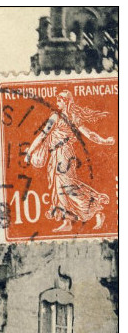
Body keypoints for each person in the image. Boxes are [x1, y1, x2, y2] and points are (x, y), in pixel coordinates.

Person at [24, 89, 115, 231]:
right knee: (59, 188)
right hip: (57, 155)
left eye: (59, 100)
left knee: (66, 186)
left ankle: (96, 211)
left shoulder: (66, 117)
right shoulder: (62, 116)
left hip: (63, 154)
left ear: (66, 102)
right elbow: (43, 135)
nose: (57, 102)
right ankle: (67, 222)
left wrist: (104, 141)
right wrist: (29, 152)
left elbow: (88, 133)